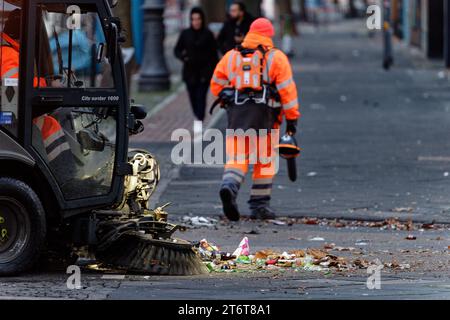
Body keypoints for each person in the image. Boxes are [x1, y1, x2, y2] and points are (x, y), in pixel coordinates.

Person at [210, 18, 300, 221]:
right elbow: (288, 92)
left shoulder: (231, 57)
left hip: (238, 118)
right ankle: (259, 206)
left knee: (237, 159)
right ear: (268, 35)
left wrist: (227, 97)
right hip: (266, 119)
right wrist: (292, 120)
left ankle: (229, 187)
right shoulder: (276, 58)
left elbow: (216, 85)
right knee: (265, 161)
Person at [1, 9, 74, 179]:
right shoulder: (8, 54)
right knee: (50, 125)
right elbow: (17, 86)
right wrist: (48, 84)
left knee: (58, 116)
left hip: (8, 111)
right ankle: (65, 178)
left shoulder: (11, 49)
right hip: (7, 117)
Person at [174, 7, 219, 134]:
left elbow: (214, 55)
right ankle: (197, 117)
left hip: (204, 73)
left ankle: (199, 121)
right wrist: (183, 57)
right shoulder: (185, 34)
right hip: (189, 73)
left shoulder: (208, 34)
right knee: (193, 98)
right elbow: (177, 50)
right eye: (193, 19)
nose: (196, 21)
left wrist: (212, 71)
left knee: (201, 98)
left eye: (198, 19)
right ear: (190, 20)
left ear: (202, 19)